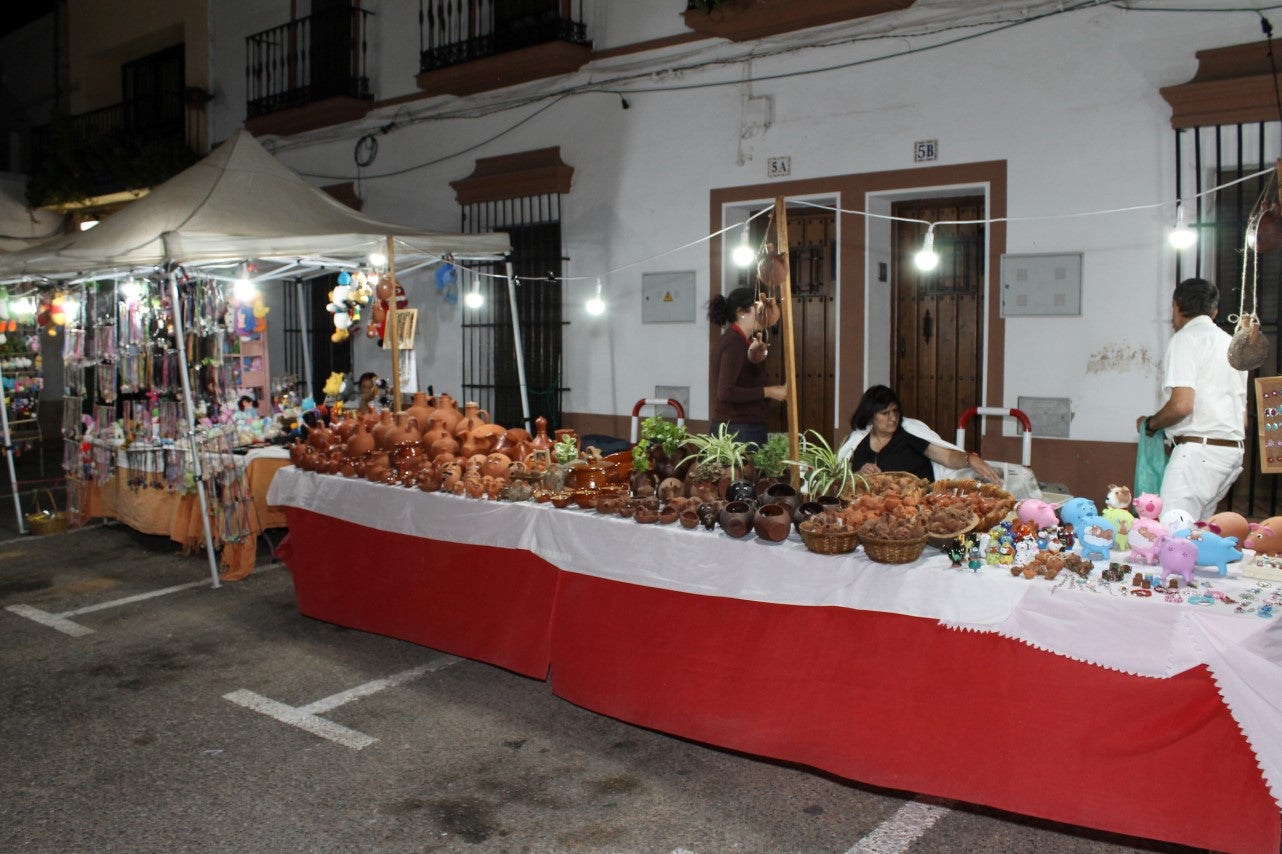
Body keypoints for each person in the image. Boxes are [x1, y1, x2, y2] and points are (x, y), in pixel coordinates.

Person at [1136, 277, 1246, 520]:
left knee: (1173, 537)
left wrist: (1152, 424)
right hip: (1230, 453)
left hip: (1198, 454)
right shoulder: (1231, 344)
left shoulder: (1185, 339)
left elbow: (1182, 405)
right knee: (1198, 537)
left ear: (1176, 307)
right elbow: (1243, 417)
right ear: (1214, 310)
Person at [840, 385, 1003, 483]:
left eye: (895, 411)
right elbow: (838, 481)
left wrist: (969, 459)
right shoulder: (856, 444)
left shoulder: (908, 435)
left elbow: (946, 456)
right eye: (885, 413)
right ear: (870, 416)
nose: (893, 418)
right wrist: (858, 477)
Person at [707, 287, 786, 446]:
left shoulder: (741, 340)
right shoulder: (734, 342)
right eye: (758, 308)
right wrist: (768, 392)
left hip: (741, 427)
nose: (763, 313)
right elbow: (725, 392)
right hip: (738, 430)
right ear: (742, 312)